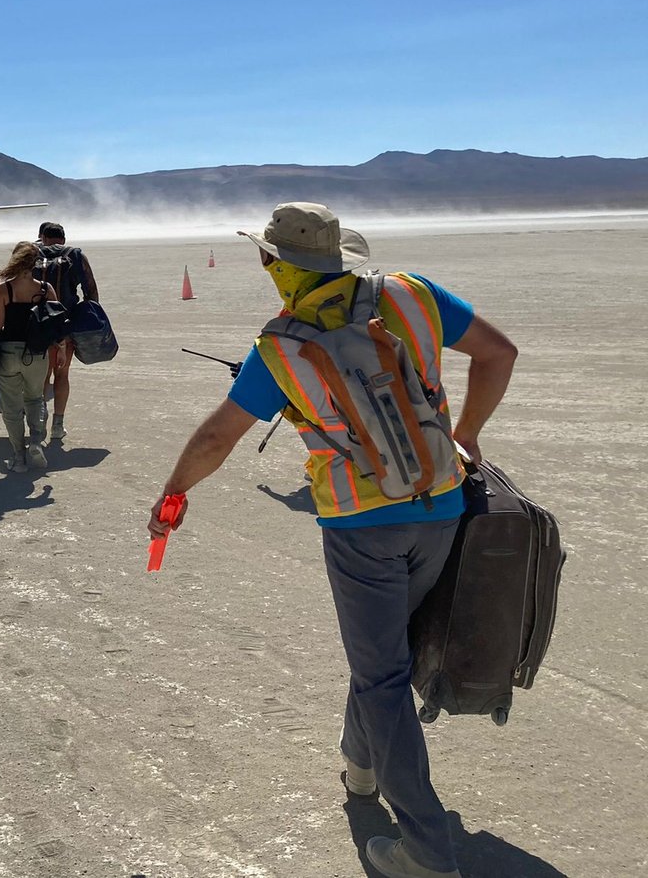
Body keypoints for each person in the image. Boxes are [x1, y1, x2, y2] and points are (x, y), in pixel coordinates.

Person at [146, 203, 518, 878]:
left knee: (382, 675)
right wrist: (464, 435)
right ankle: (360, 766)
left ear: (278, 265)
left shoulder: (278, 346)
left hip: (359, 526)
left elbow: (218, 436)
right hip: (440, 506)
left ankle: (427, 851)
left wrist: (174, 492)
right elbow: (499, 352)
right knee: (382, 650)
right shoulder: (413, 294)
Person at [0, 241, 56, 473]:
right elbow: (55, 323)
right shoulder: (46, 290)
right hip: (37, 353)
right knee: (35, 399)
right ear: (35, 263)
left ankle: (18, 456)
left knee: (11, 407)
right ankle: (36, 441)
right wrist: (61, 349)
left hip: (9, 351)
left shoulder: (3, 290)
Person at [34, 222, 98, 442]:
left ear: (43, 238)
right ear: (63, 239)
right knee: (62, 375)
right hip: (66, 326)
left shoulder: (32, 255)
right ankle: (57, 426)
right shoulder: (75, 255)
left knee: (42, 378)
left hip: (38, 327)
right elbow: (91, 291)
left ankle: (39, 424)